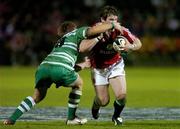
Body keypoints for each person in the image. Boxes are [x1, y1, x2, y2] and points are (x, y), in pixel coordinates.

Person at [3, 20, 123, 125]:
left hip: (43, 68)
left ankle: (12, 119)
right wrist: (112, 24)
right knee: (79, 83)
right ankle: (71, 118)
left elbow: (65, 65)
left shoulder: (60, 42)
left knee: (37, 96)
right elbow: (92, 30)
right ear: (72, 29)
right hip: (60, 68)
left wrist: (83, 65)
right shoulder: (75, 32)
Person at [80, 6, 142, 125]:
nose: (114, 23)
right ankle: (96, 104)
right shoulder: (94, 30)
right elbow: (83, 47)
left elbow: (138, 42)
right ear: (102, 20)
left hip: (115, 65)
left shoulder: (120, 30)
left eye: (115, 20)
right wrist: (98, 38)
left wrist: (131, 46)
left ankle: (116, 116)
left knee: (121, 95)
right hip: (98, 68)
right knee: (103, 101)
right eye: (111, 20)